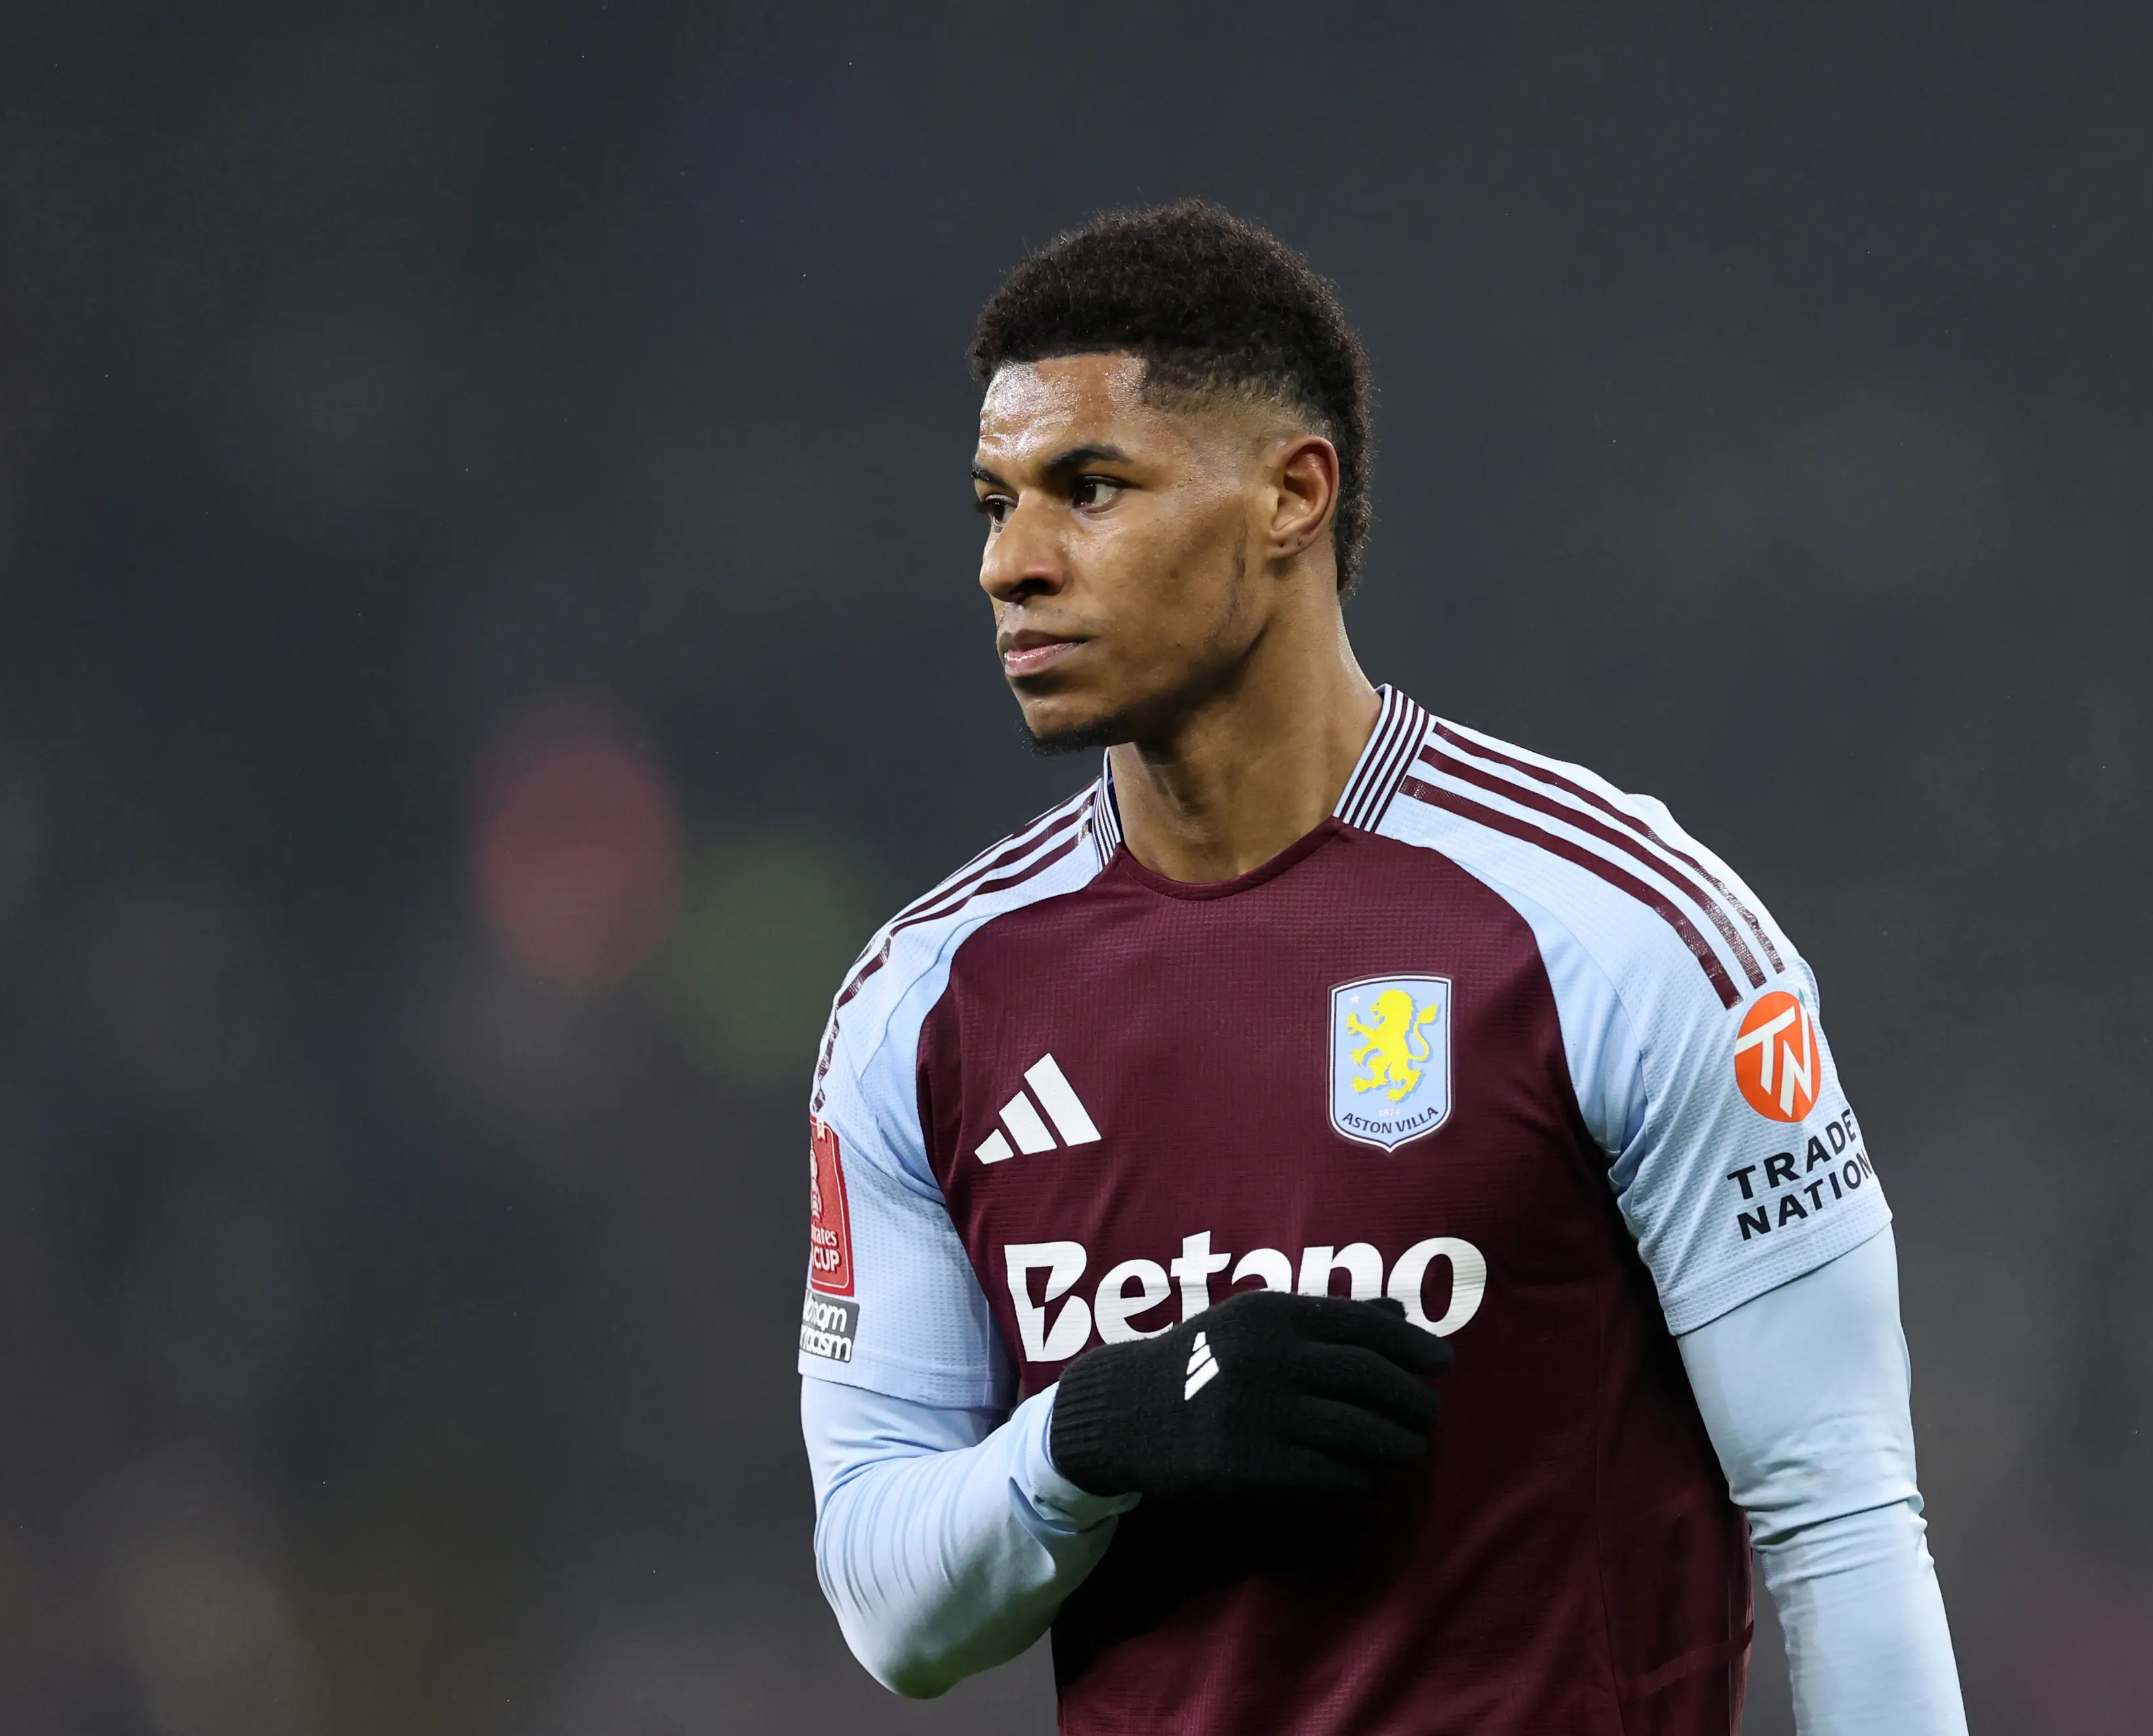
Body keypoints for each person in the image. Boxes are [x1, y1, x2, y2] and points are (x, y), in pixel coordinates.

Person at [796, 200, 1967, 1735]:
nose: (1011, 565)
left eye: (1090, 488)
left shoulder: (1616, 927)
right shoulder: (928, 1001)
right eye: (993, 502)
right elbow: (893, 1613)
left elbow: (1844, 1520)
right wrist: (1087, 1437)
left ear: (1292, 495)